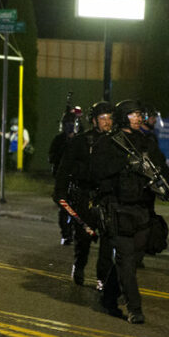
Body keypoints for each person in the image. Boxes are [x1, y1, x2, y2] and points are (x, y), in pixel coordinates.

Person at [89, 99, 169, 324]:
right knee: (126, 261)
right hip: (118, 210)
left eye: (140, 115)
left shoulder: (147, 143)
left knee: (132, 261)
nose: (139, 118)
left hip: (142, 211)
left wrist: (165, 186)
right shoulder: (109, 143)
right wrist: (127, 164)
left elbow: (163, 169)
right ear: (124, 116)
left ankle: (108, 296)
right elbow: (98, 172)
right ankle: (134, 308)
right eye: (134, 114)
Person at [54, 101, 116, 288]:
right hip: (85, 197)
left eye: (110, 118)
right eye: (103, 118)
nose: (107, 122)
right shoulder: (81, 142)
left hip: (107, 197)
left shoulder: (117, 142)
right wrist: (60, 192)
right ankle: (79, 266)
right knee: (84, 237)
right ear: (94, 120)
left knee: (108, 240)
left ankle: (102, 278)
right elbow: (65, 169)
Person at [49, 106, 83, 245]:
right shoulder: (59, 140)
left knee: (80, 208)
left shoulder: (81, 139)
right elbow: (52, 157)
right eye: (66, 125)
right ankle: (66, 234)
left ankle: (77, 232)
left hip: (78, 178)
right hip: (63, 178)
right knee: (64, 208)